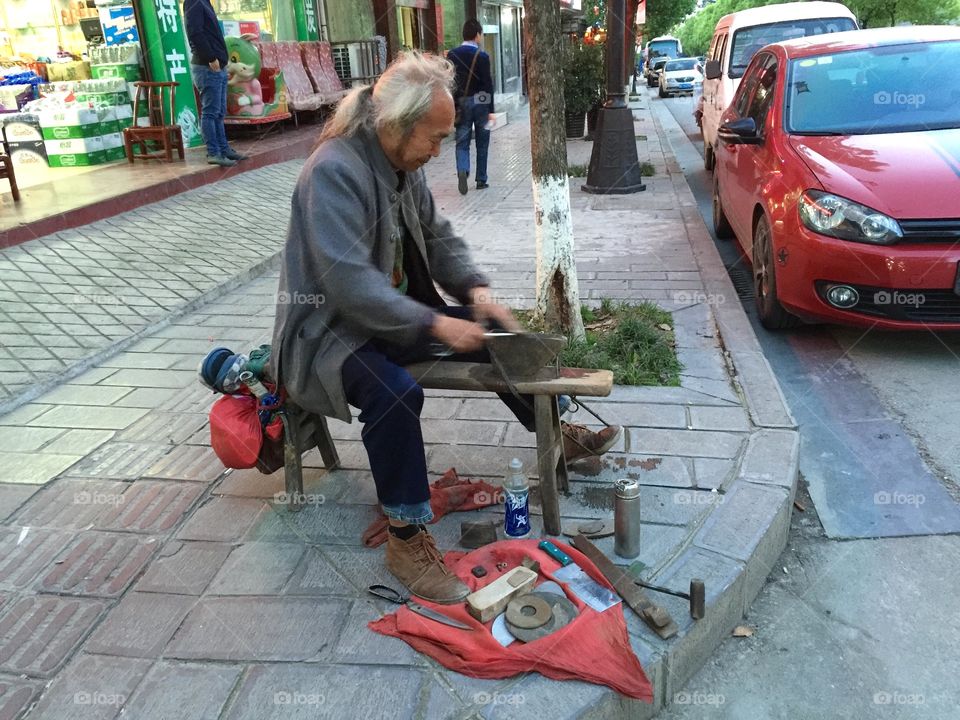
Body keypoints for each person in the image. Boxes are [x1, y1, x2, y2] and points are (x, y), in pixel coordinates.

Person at [271, 52, 621, 604]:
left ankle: (556, 433)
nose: (439, 150)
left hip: (388, 317)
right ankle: (406, 537)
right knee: (393, 393)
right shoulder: (334, 171)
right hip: (330, 333)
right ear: (394, 124)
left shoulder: (401, 166)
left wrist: (477, 292)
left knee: (497, 337)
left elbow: (437, 238)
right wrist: (434, 320)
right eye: (433, 138)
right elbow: (348, 288)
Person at [183, 0, 247, 167]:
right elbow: (194, 32)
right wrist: (211, 58)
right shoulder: (194, 2)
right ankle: (213, 152)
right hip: (207, 65)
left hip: (218, 64)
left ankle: (224, 149)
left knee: (219, 111)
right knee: (210, 112)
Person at [447, 19, 494, 195]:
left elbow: (450, 83)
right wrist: (491, 110)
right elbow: (488, 85)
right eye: (481, 34)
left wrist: (453, 104)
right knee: (482, 142)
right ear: (477, 35)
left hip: (461, 102)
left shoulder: (452, 55)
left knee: (462, 141)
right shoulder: (482, 56)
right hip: (481, 101)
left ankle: (463, 169)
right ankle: (481, 179)